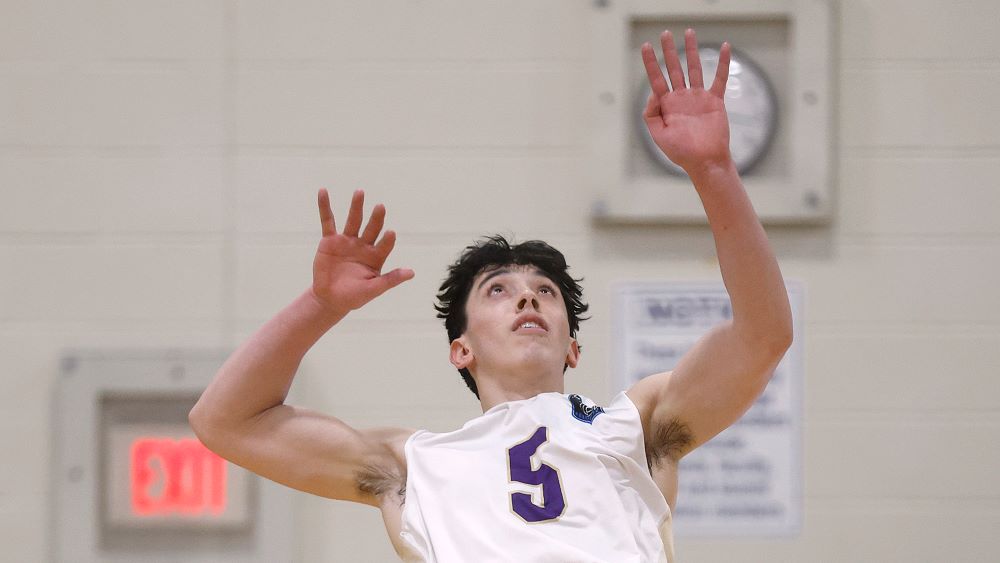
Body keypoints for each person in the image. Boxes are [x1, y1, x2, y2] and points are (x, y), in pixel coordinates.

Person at [189, 29, 792, 562]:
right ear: (461, 349)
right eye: (499, 290)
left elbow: (763, 335)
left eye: (545, 292)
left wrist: (715, 174)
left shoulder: (634, 425)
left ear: (572, 348)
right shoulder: (411, 465)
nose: (527, 300)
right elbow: (224, 422)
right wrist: (319, 308)